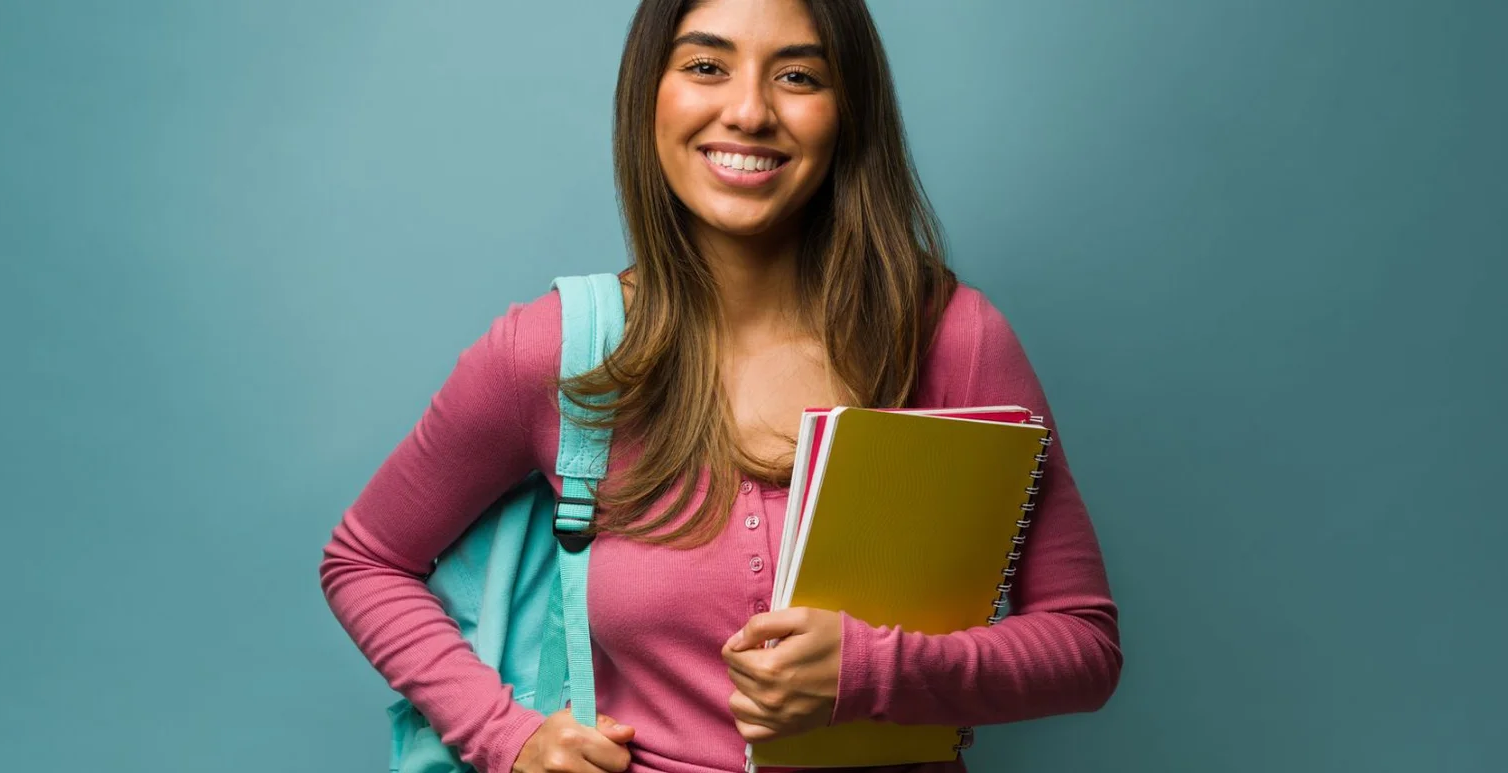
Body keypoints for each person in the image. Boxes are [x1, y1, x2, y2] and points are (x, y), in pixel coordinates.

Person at [317, 1, 1121, 771]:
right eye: (707, 65)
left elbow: (1084, 645)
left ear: (850, 111)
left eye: (798, 77)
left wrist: (874, 668)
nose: (748, 111)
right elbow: (365, 559)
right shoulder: (561, 348)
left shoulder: (952, 337)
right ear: (650, 95)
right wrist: (504, 735)